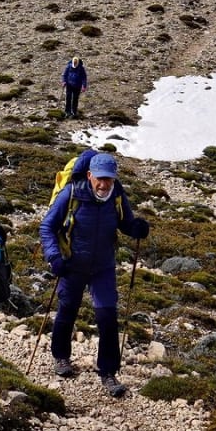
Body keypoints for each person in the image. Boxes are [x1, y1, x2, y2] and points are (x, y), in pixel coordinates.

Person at [38, 152, 150, 397]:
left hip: (103, 267)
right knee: (67, 310)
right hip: (72, 264)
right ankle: (61, 357)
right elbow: (47, 226)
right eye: (99, 179)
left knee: (107, 316)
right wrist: (54, 257)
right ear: (89, 176)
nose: (103, 184)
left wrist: (137, 228)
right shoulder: (72, 194)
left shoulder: (117, 195)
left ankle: (108, 373)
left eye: (108, 179)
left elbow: (125, 222)